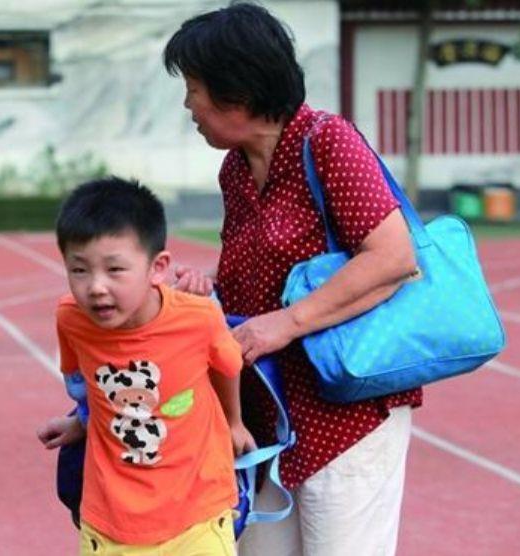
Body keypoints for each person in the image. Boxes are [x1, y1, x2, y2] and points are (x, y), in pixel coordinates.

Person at [163, 3, 423, 555]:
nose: (188, 104)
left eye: (194, 87)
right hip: (269, 419)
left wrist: (286, 323)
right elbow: (253, 274)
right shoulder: (236, 168)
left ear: (237, 90)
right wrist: (201, 288)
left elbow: (393, 257)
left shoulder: (328, 143)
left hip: (346, 413)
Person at [36, 176, 254, 555]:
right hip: (111, 523)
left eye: (115, 270)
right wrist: (81, 420)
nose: (96, 287)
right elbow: (89, 383)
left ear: (158, 267)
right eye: (79, 270)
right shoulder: (70, 318)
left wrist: (234, 422)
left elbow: (228, 365)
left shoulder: (198, 318)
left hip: (197, 516)